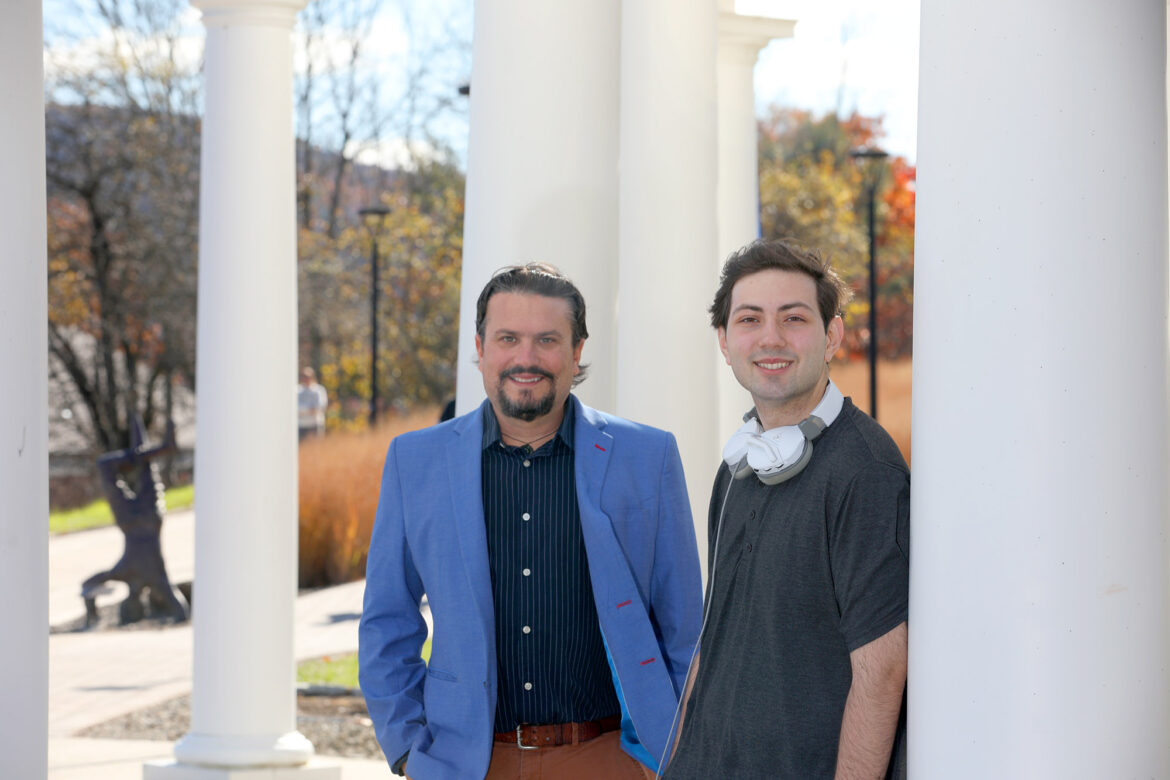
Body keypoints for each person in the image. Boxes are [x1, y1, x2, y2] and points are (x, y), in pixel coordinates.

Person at [359, 263, 703, 780]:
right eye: (508, 339)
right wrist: (409, 749)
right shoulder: (415, 461)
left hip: (610, 759)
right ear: (480, 348)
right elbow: (387, 620)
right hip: (465, 764)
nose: (526, 358)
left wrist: (669, 755)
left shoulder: (647, 456)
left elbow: (685, 626)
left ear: (577, 351)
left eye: (547, 340)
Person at [664, 239, 909, 780]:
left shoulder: (865, 470)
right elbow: (712, 642)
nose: (770, 338)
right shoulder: (740, 465)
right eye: (749, 319)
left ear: (832, 336)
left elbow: (882, 672)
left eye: (793, 318)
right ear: (725, 341)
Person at [297, 367, 327, 440]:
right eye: (303, 377)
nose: (305, 379)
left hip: (315, 424)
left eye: (307, 377)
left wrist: (303, 411)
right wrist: (309, 410)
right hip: (301, 424)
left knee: (315, 445)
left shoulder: (319, 390)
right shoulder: (297, 390)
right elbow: (296, 407)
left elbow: (320, 406)